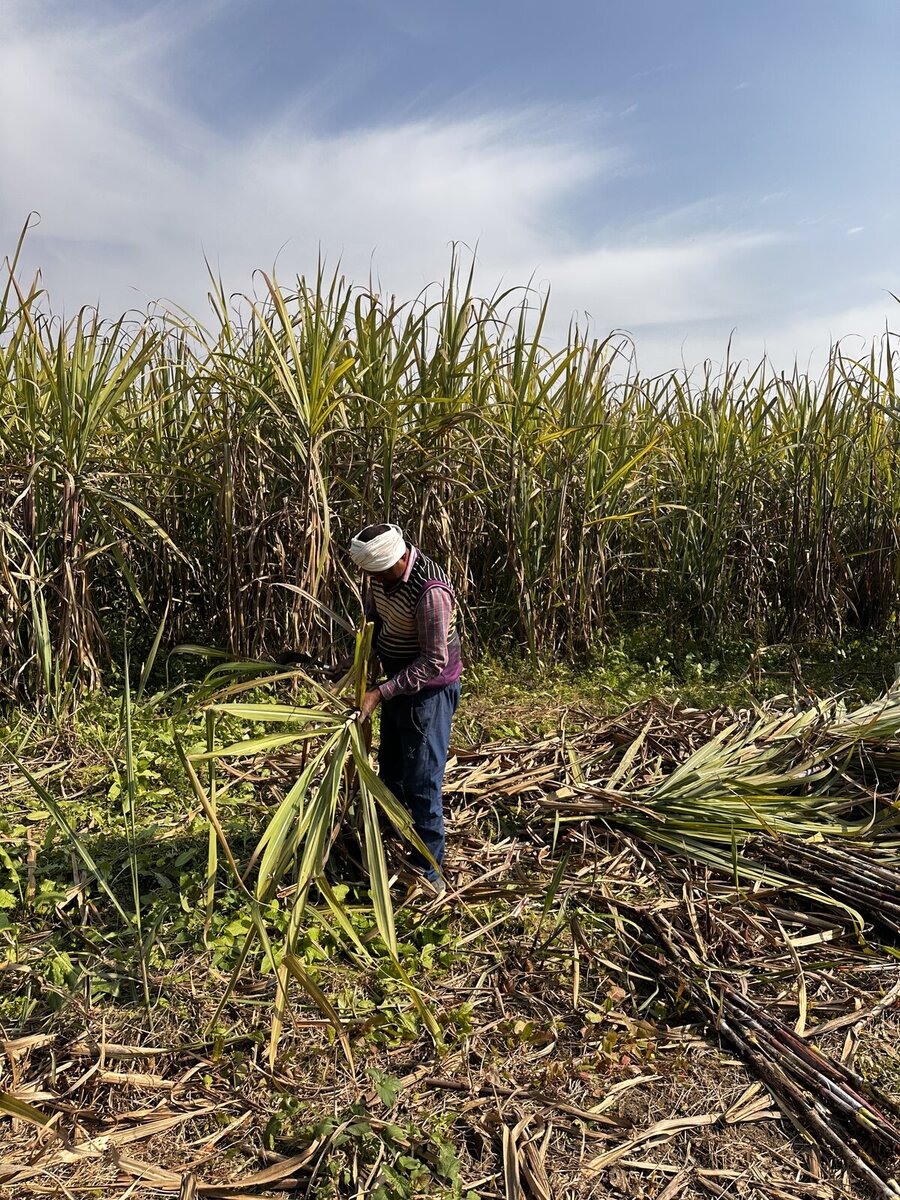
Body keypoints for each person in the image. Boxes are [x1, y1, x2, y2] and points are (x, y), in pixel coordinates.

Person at [348, 522, 462, 895]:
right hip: (398, 687)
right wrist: (361, 663)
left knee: (422, 781)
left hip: (428, 693)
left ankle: (429, 871)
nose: (366, 578)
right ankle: (397, 838)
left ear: (387, 562)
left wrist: (379, 693)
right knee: (393, 769)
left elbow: (432, 661)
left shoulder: (431, 592)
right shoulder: (382, 580)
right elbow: (377, 621)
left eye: (369, 571)